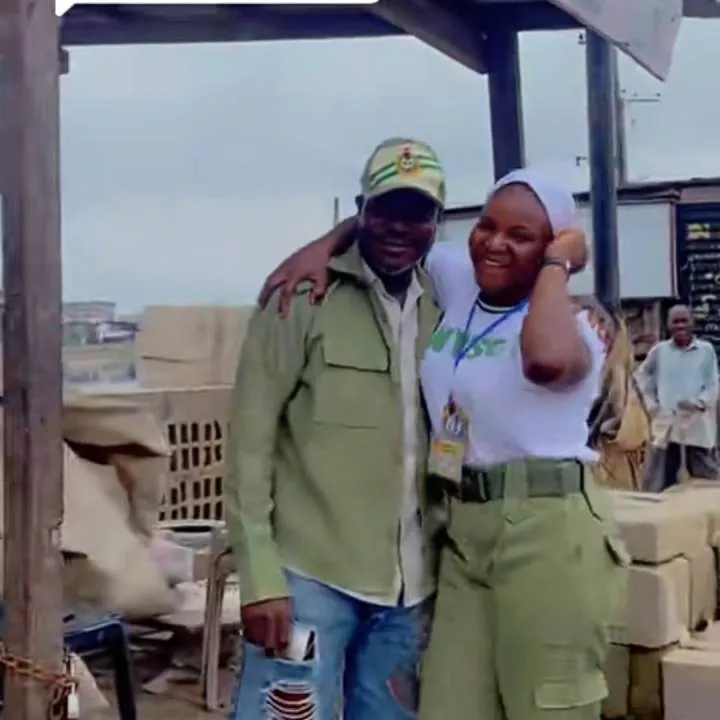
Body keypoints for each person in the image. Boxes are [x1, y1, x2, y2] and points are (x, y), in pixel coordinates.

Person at [260, 167, 629, 720]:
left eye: (522, 236)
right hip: (464, 532)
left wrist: (558, 266)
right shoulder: (460, 280)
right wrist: (318, 250)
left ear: (554, 246)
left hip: (549, 532)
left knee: (547, 707)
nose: (495, 243)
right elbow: (390, 222)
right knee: (447, 704)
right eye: (488, 225)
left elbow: (546, 362)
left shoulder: (575, 332)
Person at [225, 137, 448, 720]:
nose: (399, 227)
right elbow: (250, 443)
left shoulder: (445, 304)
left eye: (417, 214)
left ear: (437, 221)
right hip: (308, 579)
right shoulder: (300, 298)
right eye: (384, 210)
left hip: (411, 588)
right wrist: (260, 579)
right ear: (360, 210)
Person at [636, 304, 719, 491]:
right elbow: (640, 376)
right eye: (675, 322)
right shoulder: (660, 351)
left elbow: (713, 383)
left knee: (707, 478)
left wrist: (700, 402)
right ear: (668, 325)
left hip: (696, 421)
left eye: (684, 321)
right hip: (666, 422)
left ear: (692, 324)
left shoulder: (706, 350)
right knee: (659, 479)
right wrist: (651, 404)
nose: (680, 326)